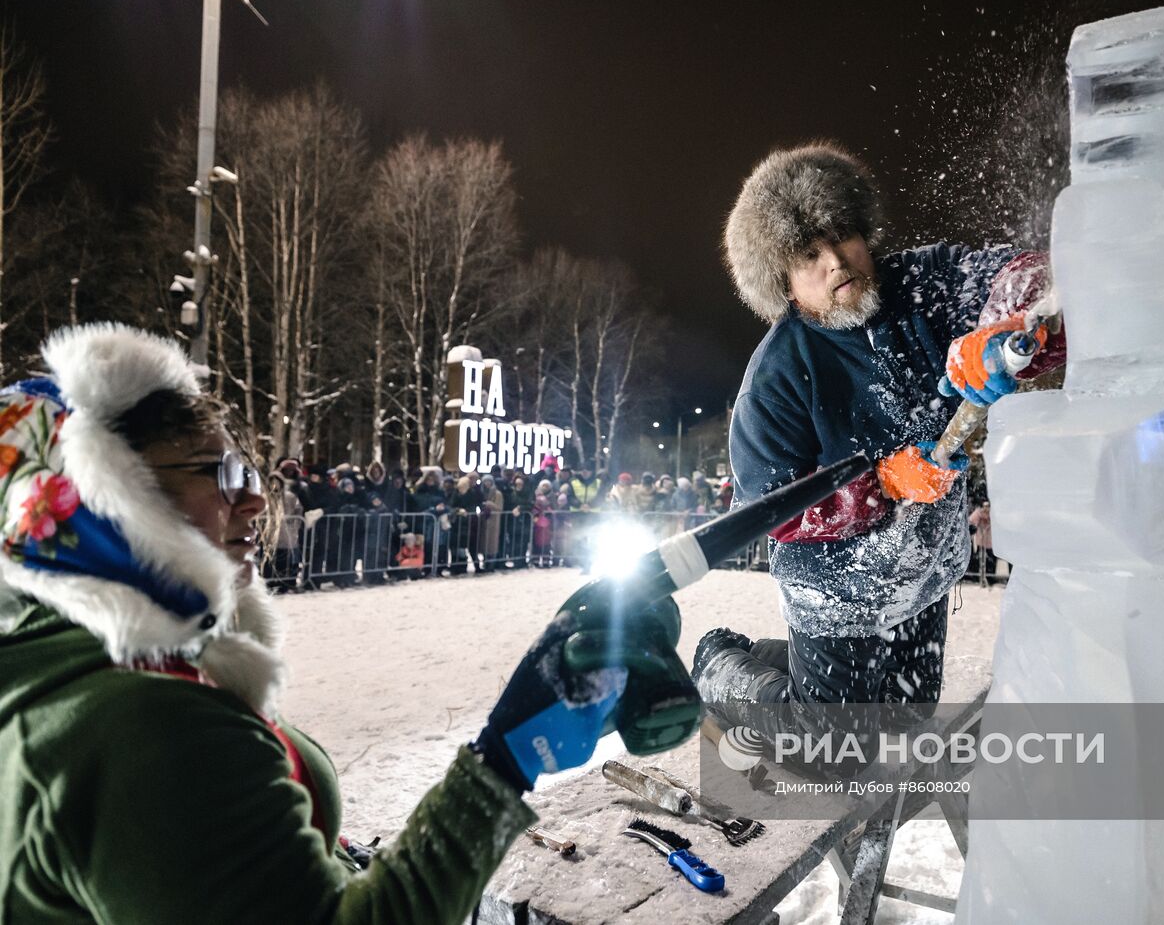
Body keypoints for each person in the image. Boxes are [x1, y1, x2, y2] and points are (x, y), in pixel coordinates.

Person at [0, 324, 694, 922]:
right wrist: (504, 763)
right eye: (223, 475)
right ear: (104, 499)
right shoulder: (140, 731)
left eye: (251, 473)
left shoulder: (53, 669)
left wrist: (337, 862)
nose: (254, 501)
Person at [693, 143, 1063, 705]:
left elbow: (1032, 277)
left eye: (841, 236)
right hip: (835, 595)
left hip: (924, 576)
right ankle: (721, 666)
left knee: (901, 742)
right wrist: (882, 485)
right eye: (807, 255)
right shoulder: (776, 375)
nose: (835, 262)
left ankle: (804, 678)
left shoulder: (920, 286)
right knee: (832, 750)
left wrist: (1005, 324)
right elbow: (771, 512)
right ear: (783, 283)